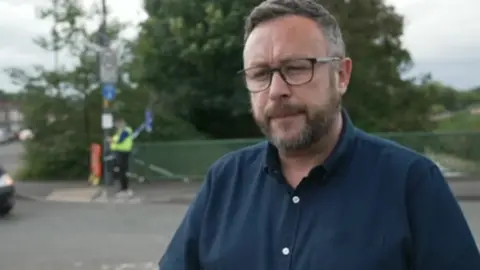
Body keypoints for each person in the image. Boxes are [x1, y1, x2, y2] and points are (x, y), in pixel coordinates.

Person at [159, 0, 480, 269]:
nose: (276, 91)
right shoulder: (225, 180)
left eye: (296, 68)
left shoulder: (411, 182)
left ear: (341, 75)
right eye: (260, 74)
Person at [109, 117, 134, 197]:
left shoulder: (126, 130)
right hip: (120, 152)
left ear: (121, 123)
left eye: (117, 124)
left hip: (123, 152)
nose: (116, 125)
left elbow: (120, 140)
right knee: (120, 170)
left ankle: (125, 189)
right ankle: (124, 188)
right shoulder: (120, 131)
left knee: (122, 171)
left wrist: (111, 140)